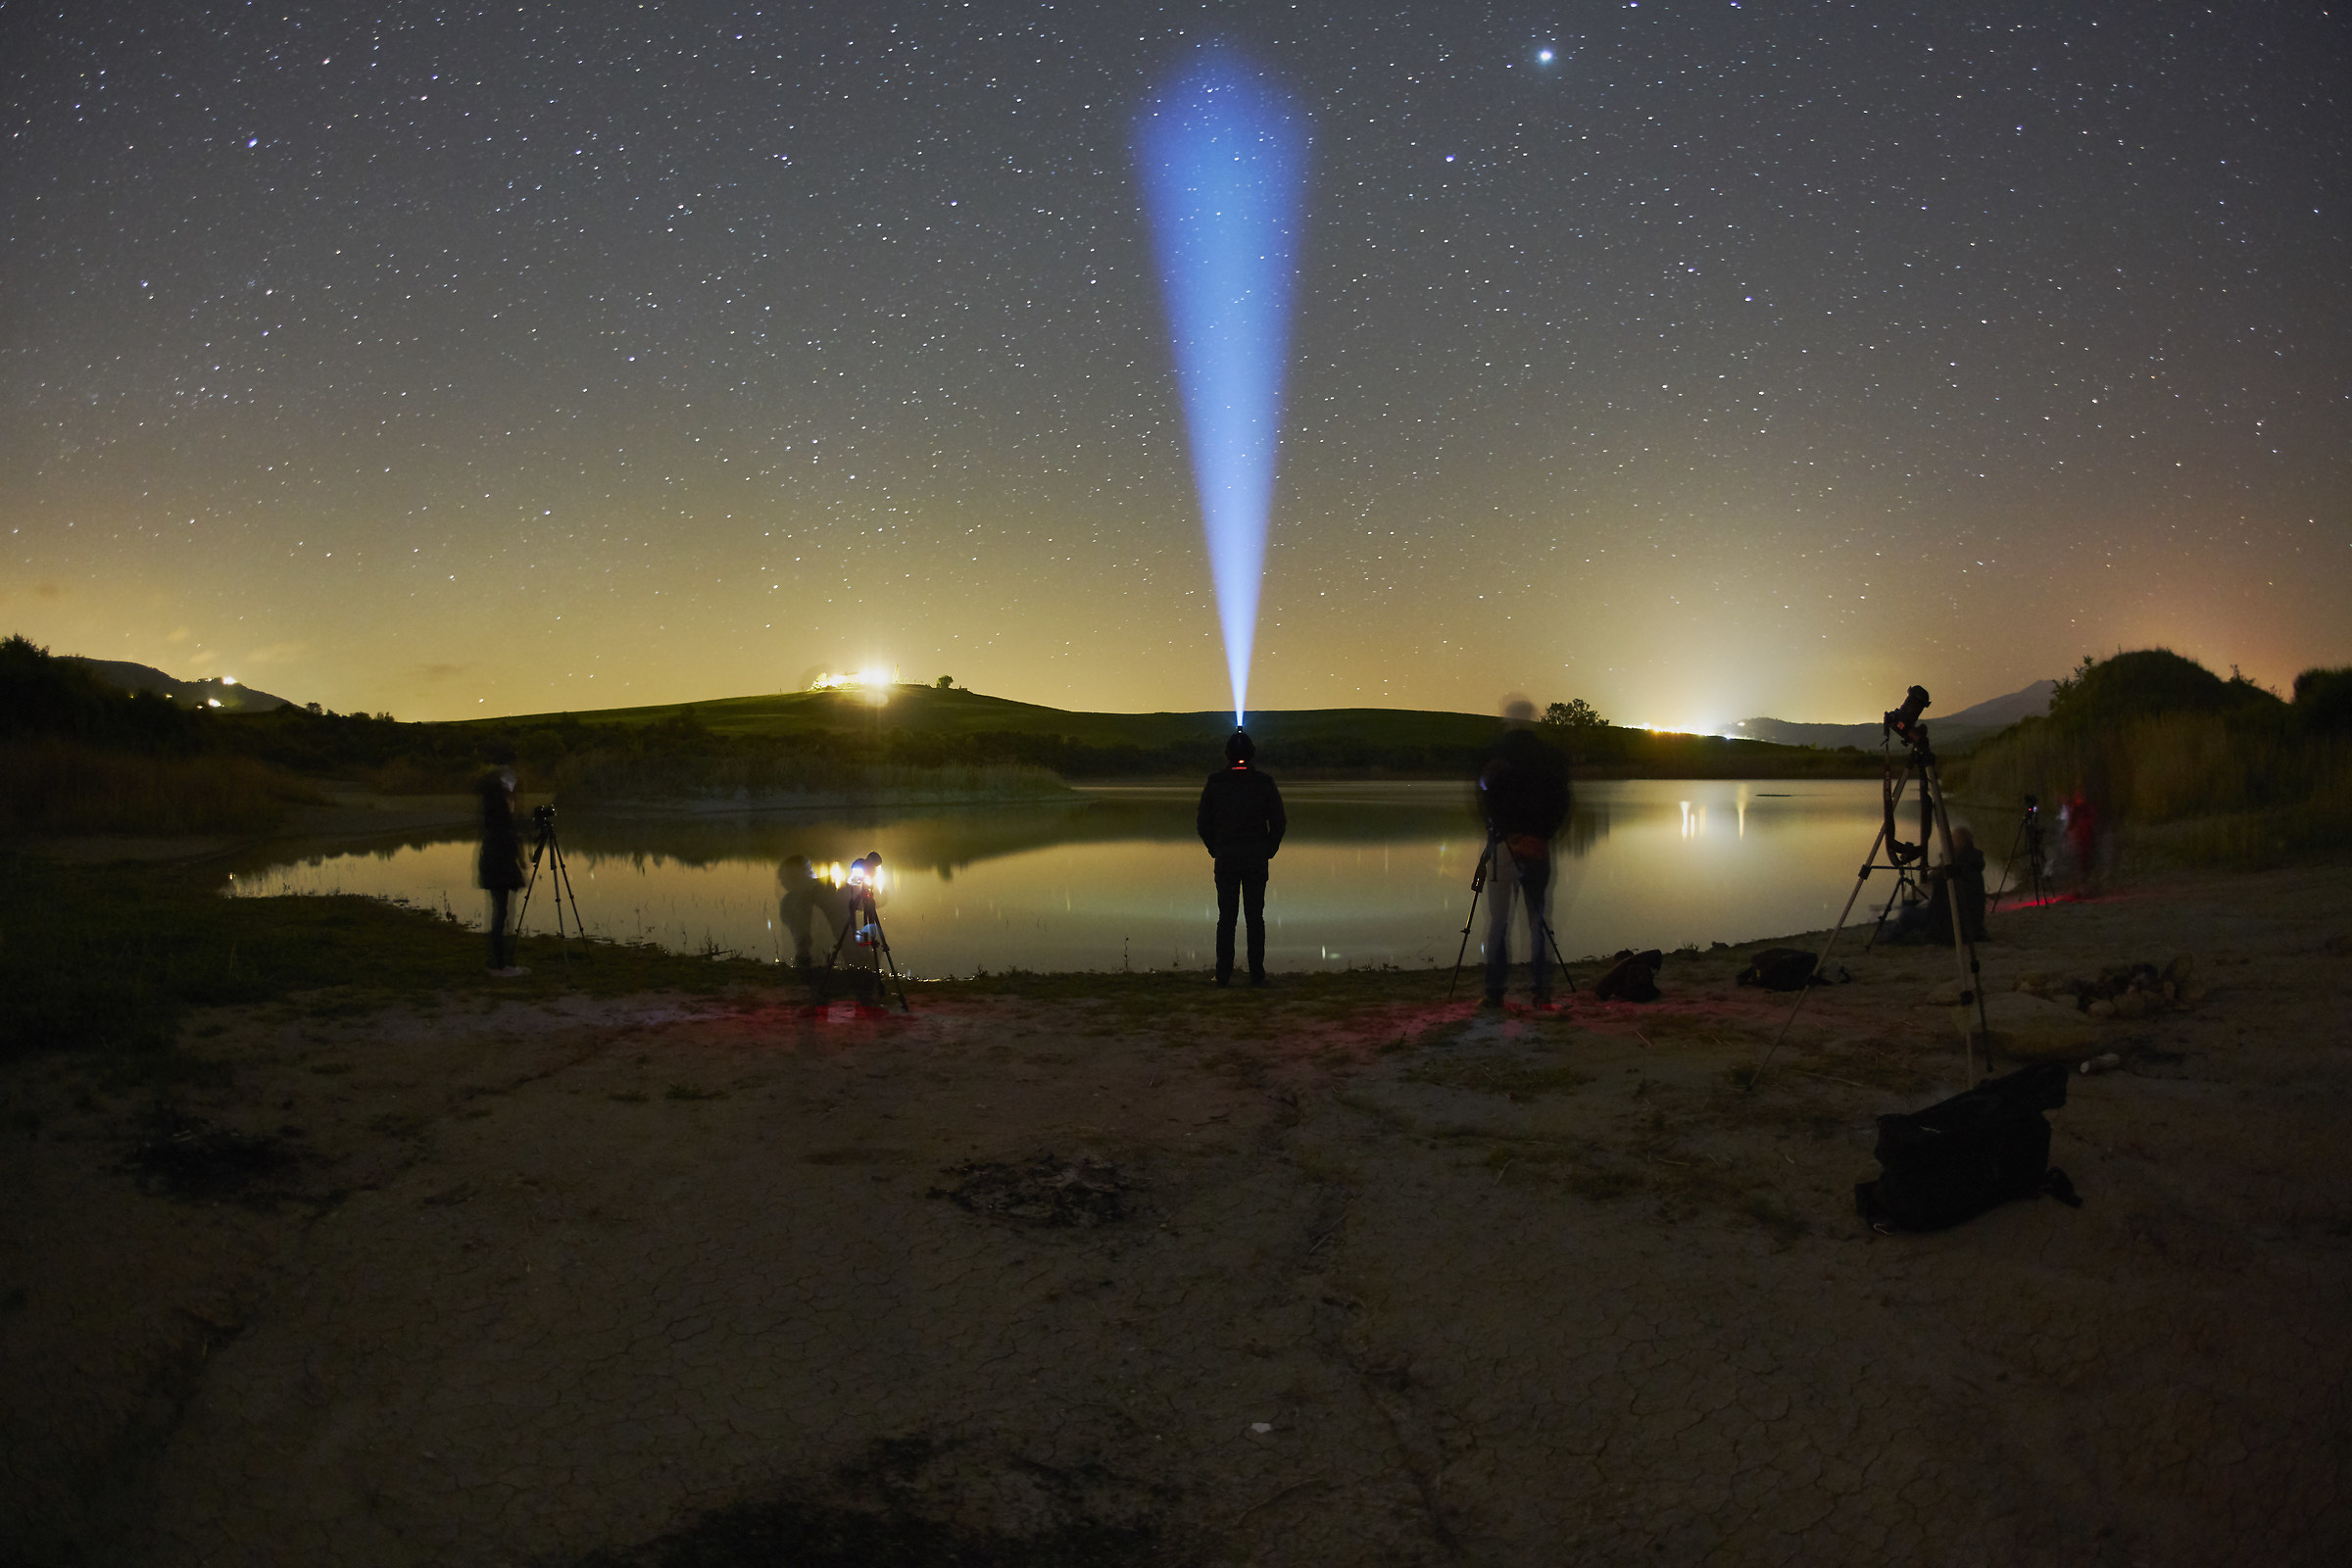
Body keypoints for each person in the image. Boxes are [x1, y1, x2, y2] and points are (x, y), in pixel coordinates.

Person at [1477, 701, 1570, 1007]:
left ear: (1508, 720)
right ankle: (1541, 992)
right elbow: (1562, 803)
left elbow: (1483, 797)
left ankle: (1494, 994)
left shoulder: (1494, 754)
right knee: (1538, 921)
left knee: (1499, 922)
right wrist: (1541, 836)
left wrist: (1502, 833)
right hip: (1538, 849)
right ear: (1532, 721)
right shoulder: (1550, 756)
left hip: (1503, 846)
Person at [1196, 729, 1287, 986]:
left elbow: (1203, 823)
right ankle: (1257, 974)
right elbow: (1278, 822)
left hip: (1226, 859)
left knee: (1227, 918)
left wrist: (1216, 849)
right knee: (1255, 918)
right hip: (1255, 859)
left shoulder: (1215, 782)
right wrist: (1268, 850)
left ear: (1227, 754)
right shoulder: (1264, 782)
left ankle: (1223, 975)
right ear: (1251, 754)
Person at [476, 748, 528, 977]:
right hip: (500, 864)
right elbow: (510, 837)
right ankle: (500, 965)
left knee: (501, 911)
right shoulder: (500, 815)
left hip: (493, 861)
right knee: (501, 914)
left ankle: (499, 961)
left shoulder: (491, 813)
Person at [1889, 825, 1987, 946]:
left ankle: (1894, 937)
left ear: (1961, 842)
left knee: (1907, 912)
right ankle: (1898, 929)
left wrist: (1940, 866)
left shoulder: (1955, 864)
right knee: (1915, 905)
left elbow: (1938, 886)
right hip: (1972, 923)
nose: (1949, 842)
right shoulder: (1973, 860)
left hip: (1953, 923)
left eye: (1953, 839)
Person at [776, 854, 851, 970]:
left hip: (831, 949)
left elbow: (802, 937)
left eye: (784, 877)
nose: (782, 882)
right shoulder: (825, 887)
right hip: (837, 949)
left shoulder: (793, 899)